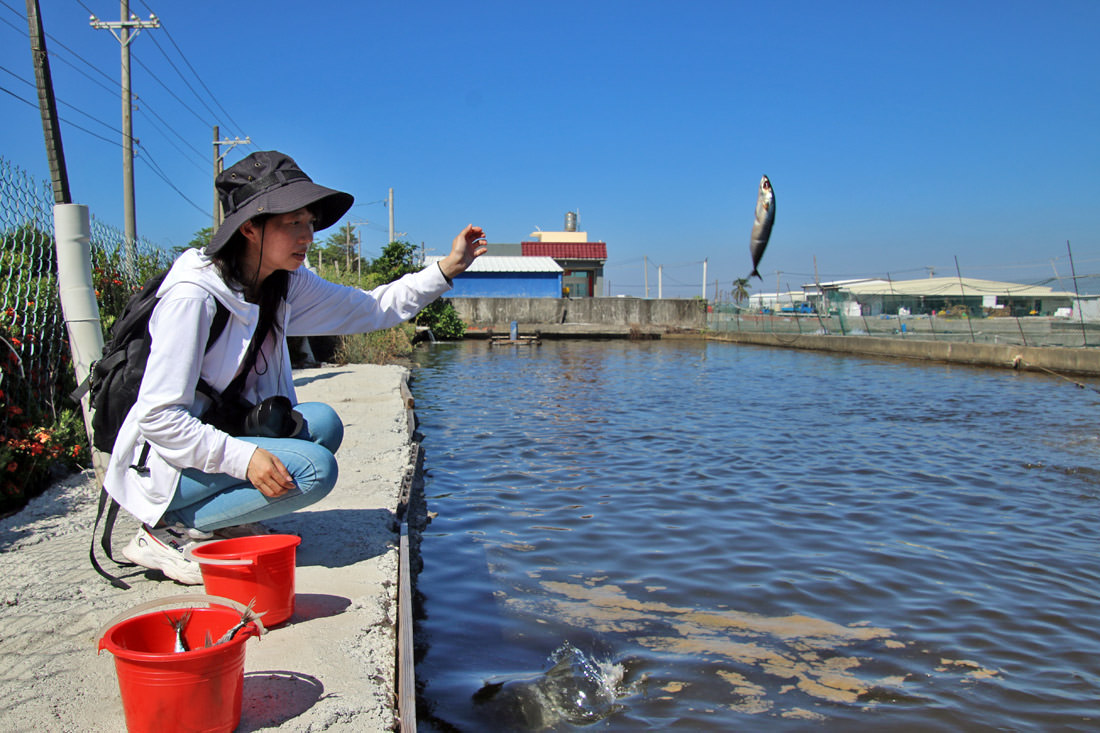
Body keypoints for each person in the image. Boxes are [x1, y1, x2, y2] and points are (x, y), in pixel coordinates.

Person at [109, 150, 486, 584]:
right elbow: (159, 418)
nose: (308, 235)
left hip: (211, 433)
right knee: (314, 471)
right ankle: (168, 531)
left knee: (322, 424)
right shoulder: (193, 296)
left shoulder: (281, 283)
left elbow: (370, 307)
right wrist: (245, 457)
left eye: (309, 222)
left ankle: (222, 520)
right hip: (163, 460)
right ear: (249, 227)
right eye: (294, 223)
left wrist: (447, 268)